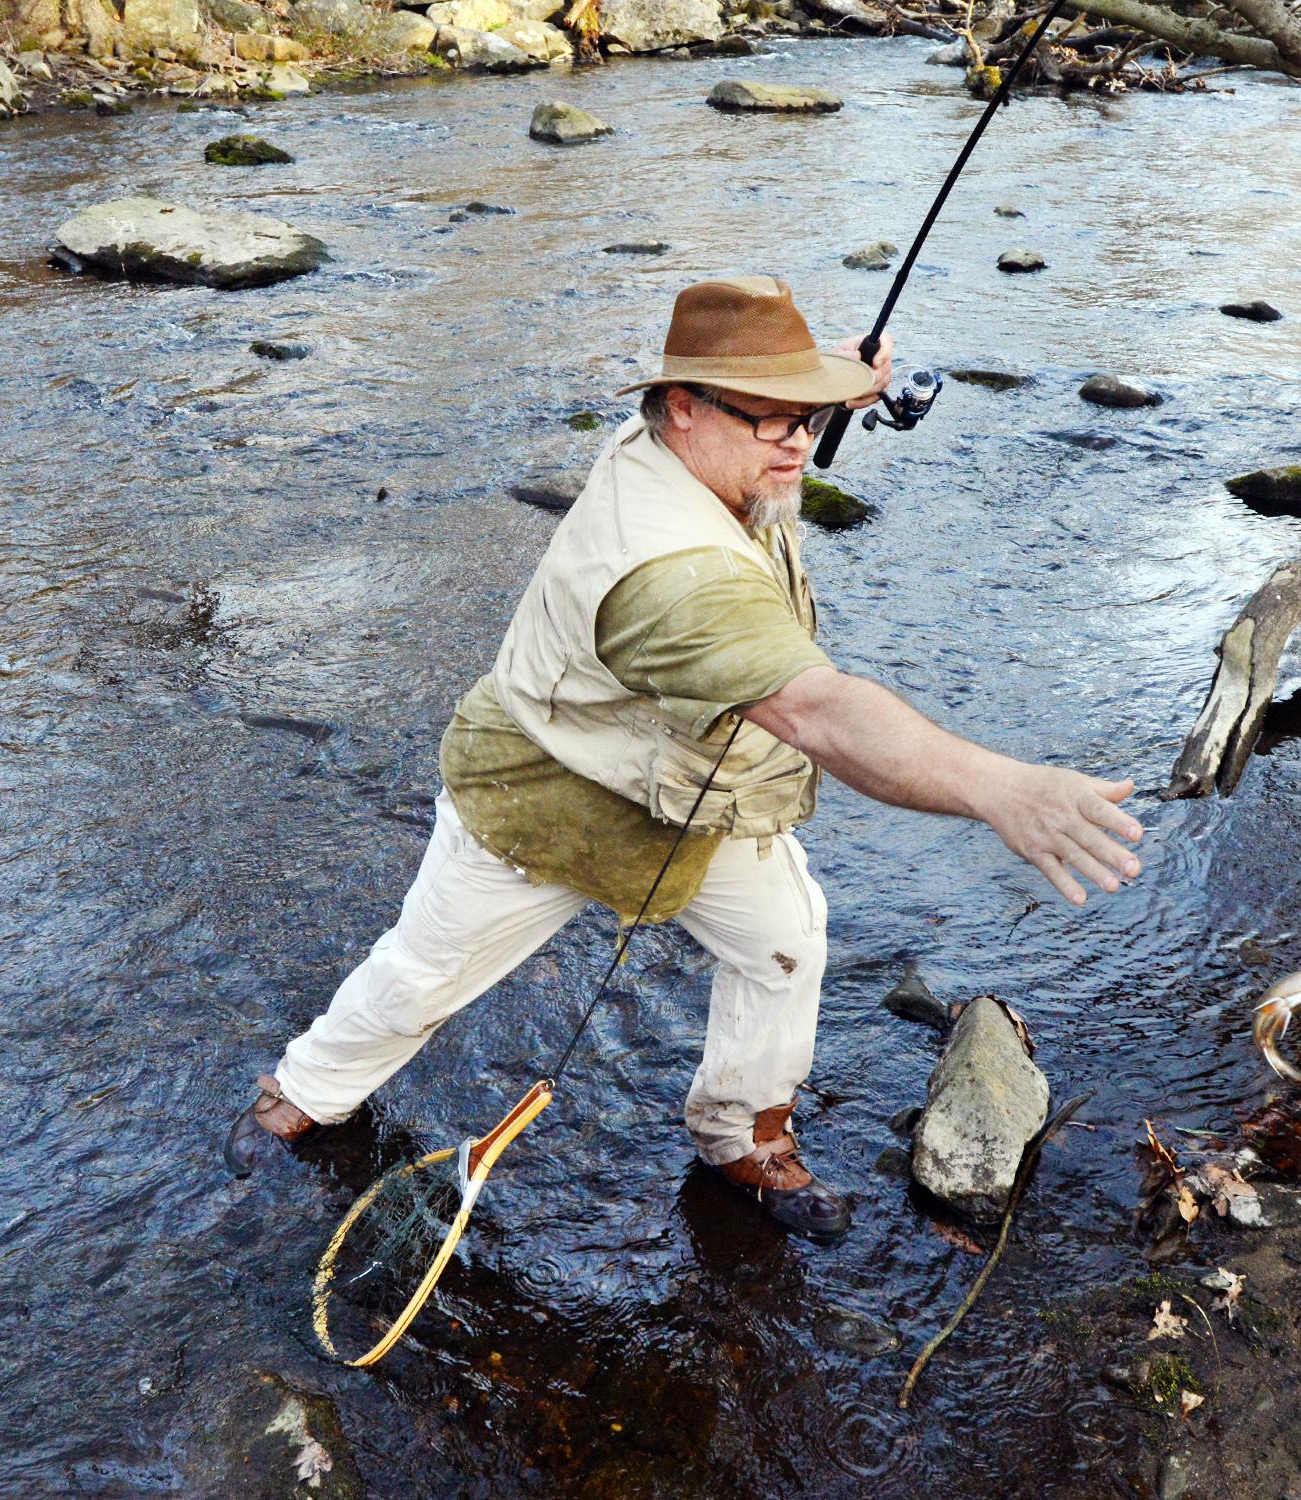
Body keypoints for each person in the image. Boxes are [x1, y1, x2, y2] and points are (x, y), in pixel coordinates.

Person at [225, 277, 1143, 1239]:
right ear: (681, 411)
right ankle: (304, 1093)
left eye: (809, 418)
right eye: (770, 421)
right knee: (422, 976)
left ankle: (743, 1136)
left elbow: (770, 418)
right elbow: (820, 710)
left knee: (785, 945)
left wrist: (842, 386)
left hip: (701, 793)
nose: (796, 443)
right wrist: (1001, 788)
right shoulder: (670, 574)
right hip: (544, 791)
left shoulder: (685, 442)